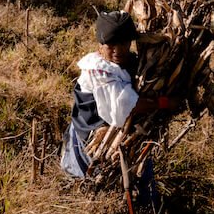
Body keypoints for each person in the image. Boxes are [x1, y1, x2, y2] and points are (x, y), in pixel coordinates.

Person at [60, 10, 177, 179]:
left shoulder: (132, 62)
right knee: (94, 177)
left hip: (125, 138)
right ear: (100, 45)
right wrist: (164, 103)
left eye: (123, 43)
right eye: (111, 45)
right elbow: (127, 105)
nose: (118, 50)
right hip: (96, 138)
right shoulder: (98, 70)